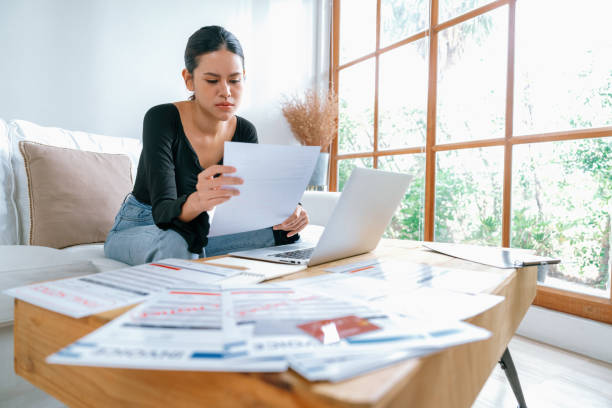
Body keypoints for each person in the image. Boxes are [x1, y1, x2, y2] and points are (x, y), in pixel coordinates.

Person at [104, 25, 308, 266]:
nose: (226, 92)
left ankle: (195, 253)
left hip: (193, 229)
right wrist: (199, 200)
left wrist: (289, 210)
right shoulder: (161, 119)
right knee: (178, 242)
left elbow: (253, 202)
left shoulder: (244, 130)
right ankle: (191, 254)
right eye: (212, 81)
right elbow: (162, 212)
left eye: (235, 80)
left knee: (283, 233)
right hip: (141, 225)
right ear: (189, 80)